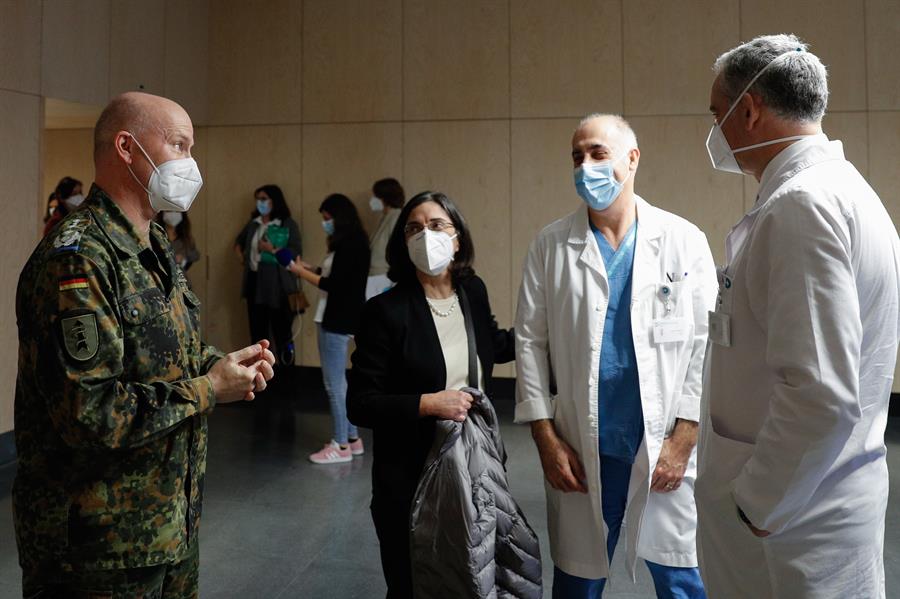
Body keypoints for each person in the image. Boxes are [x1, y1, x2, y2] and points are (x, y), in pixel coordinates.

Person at [12, 91, 276, 598]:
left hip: (165, 527)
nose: (191, 164)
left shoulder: (153, 244)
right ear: (128, 147)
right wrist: (207, 389)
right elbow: (92, 412)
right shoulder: (80, 258)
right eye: (178, 144)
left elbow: (170, 349)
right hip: (96, 552)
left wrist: (221, 364)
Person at [696, 34, 900, 598]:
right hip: (815, 503)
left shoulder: (801, 206)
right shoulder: (844, 192)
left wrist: (756, 504)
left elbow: (821, 392)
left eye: (720, 115)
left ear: (751, 111)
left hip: (788, 524)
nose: (716, 132)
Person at [515, 114, 717, 598]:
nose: (585, 166)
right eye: (577, 156)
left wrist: (686, 435)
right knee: (579, 577)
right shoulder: (551, 245)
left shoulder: (682, 239)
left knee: (681, 575)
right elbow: (528, 343)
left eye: (597, 154)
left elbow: (706, 343)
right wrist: (546, 439)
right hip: (583, 445)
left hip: (664, 439)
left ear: (632, 159)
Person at [347, 191, 517, 598]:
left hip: (473, 466)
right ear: (403, 244)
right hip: (409, 475)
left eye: (437, 225)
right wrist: (428, 402)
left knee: (471, 575)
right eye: (414, 228)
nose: (426, 235)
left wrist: (547, 332)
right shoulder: (384, 311)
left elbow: (493, 344)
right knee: (413, 582)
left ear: (457, 238)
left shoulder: (472, 291)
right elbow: (361, 403)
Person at [288, 193, 370, 464]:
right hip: (346, 317)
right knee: (341, 382)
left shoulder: (349, 243)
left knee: (334, 384)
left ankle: (341, 445)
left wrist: (299, 272)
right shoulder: (355, 242)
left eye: (327, 219)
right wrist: (309, 267)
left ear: (339, 216)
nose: (325, 224)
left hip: (335, 319)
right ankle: (353, 438)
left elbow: (331, 285)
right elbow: (332, 274)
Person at [234, 184, 303, 366]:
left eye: (264, 198)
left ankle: (288, 372)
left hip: (277, 285)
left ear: (275, 200)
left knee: (282, 333)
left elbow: (295, 252)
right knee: (258, 333)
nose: (260, 203)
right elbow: (239, 242)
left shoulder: (287, 223)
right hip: (254, 282)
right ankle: (260, 373)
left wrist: (272, 249)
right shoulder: (253, 222)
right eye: (258, 199)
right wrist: (243, 257)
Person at [366, 177, 405, 300]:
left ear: (384, 197)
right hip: (375, 275)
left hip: (384, 276)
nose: (372, 200)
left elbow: (397, 249)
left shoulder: (397, 216)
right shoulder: (384, 217)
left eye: (375, 196)